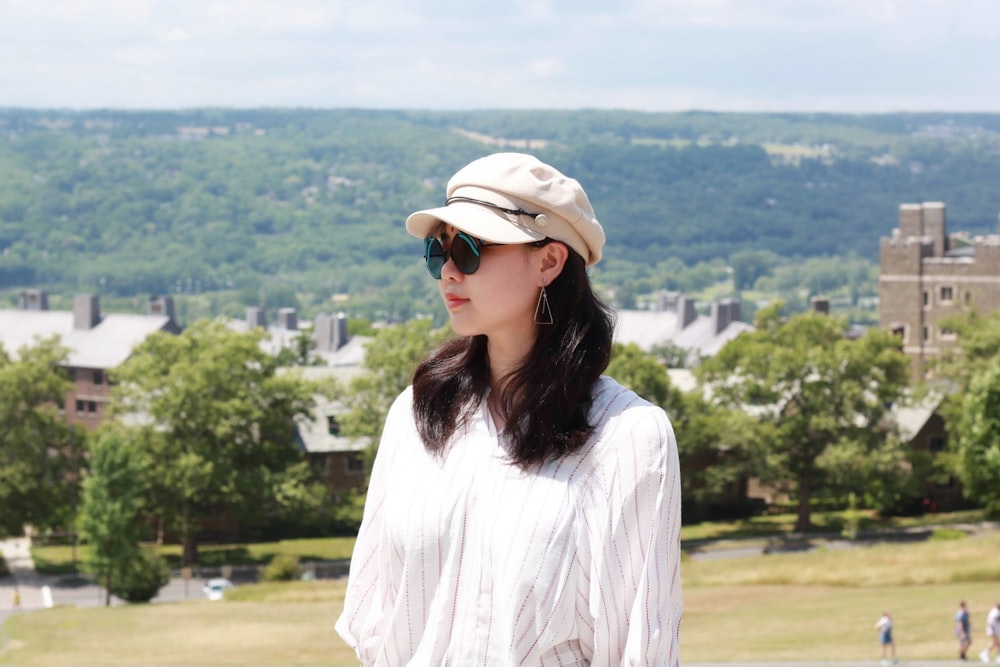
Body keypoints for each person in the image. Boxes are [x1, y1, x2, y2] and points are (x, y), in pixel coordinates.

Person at [335, 152, 683, 665]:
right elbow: (375, 617)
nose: (448, 272)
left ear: (548, 261)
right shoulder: (416, 413)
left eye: (471, 250)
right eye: (439, 251)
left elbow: (641, 647)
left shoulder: (629, 437)